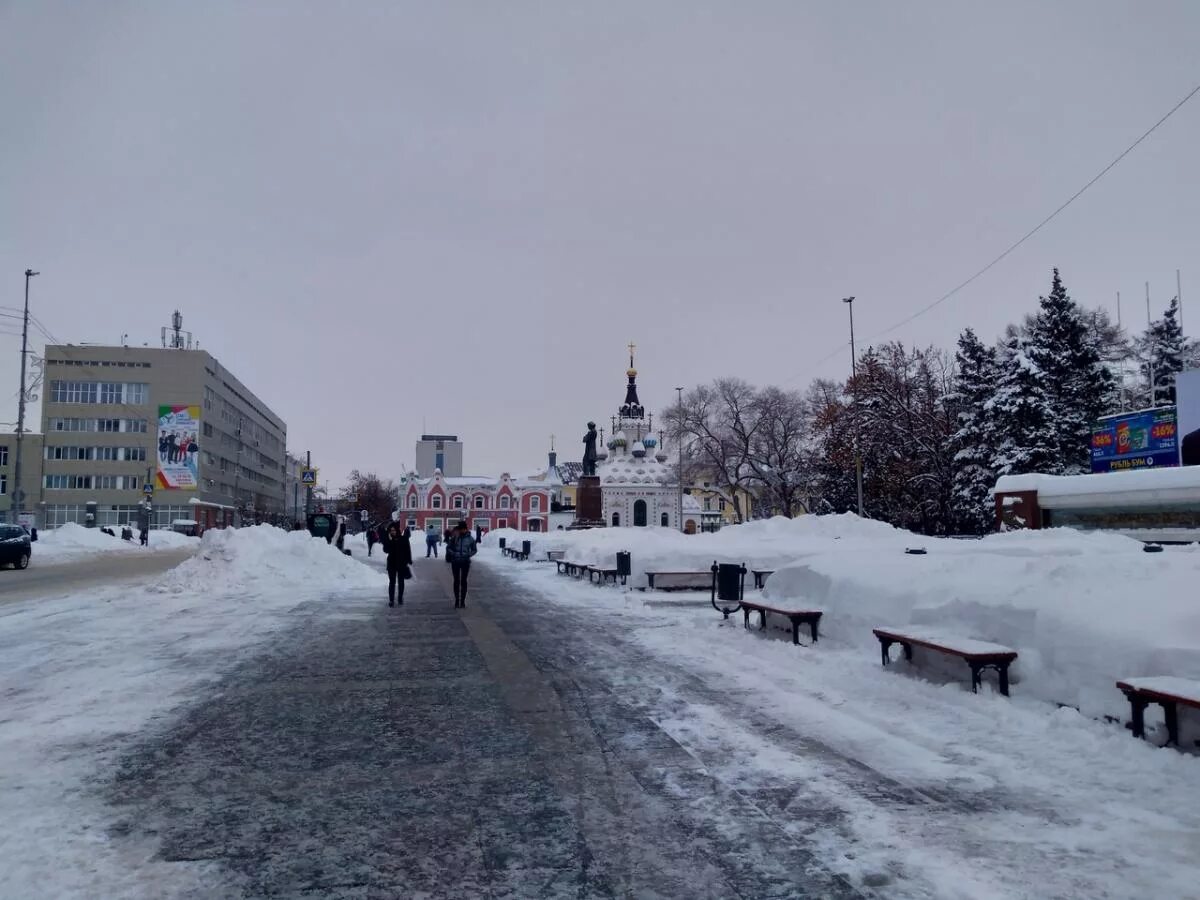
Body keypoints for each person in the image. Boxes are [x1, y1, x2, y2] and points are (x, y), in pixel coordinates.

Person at [380, 520, 412, 607]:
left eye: (394, 530)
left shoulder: (403, 539)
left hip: (401, 563)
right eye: (391, 530)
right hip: (391, 563)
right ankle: (391, 600)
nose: (392, 532)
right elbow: (386, 550)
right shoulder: (389, 540)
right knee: (392, 582)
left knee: (401, 582)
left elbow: (407, 550)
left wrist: (408, 560)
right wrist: (388, 540)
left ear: (397, 530)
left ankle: (400, 598)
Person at [445, 520, 477, 608]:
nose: (462, 531)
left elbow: (474, 550)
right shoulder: (455, 538)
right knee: (456, 581)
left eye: (463, 529)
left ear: (466, 529)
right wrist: (453, 553)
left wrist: (468, 554)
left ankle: (462, 601)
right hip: (455, 561)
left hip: (465, 562)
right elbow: (448, 548)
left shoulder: (470, 539)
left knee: (464, 581)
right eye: (460, 529)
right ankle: (456, 601)